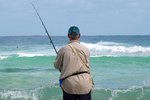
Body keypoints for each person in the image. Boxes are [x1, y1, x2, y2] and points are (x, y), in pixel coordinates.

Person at [54, 26, 93, 100]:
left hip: (69, 84)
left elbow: (56, 66)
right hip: (85, 83)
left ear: (68, 36)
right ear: (79, 36)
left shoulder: (63, 50)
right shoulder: (86, 49)